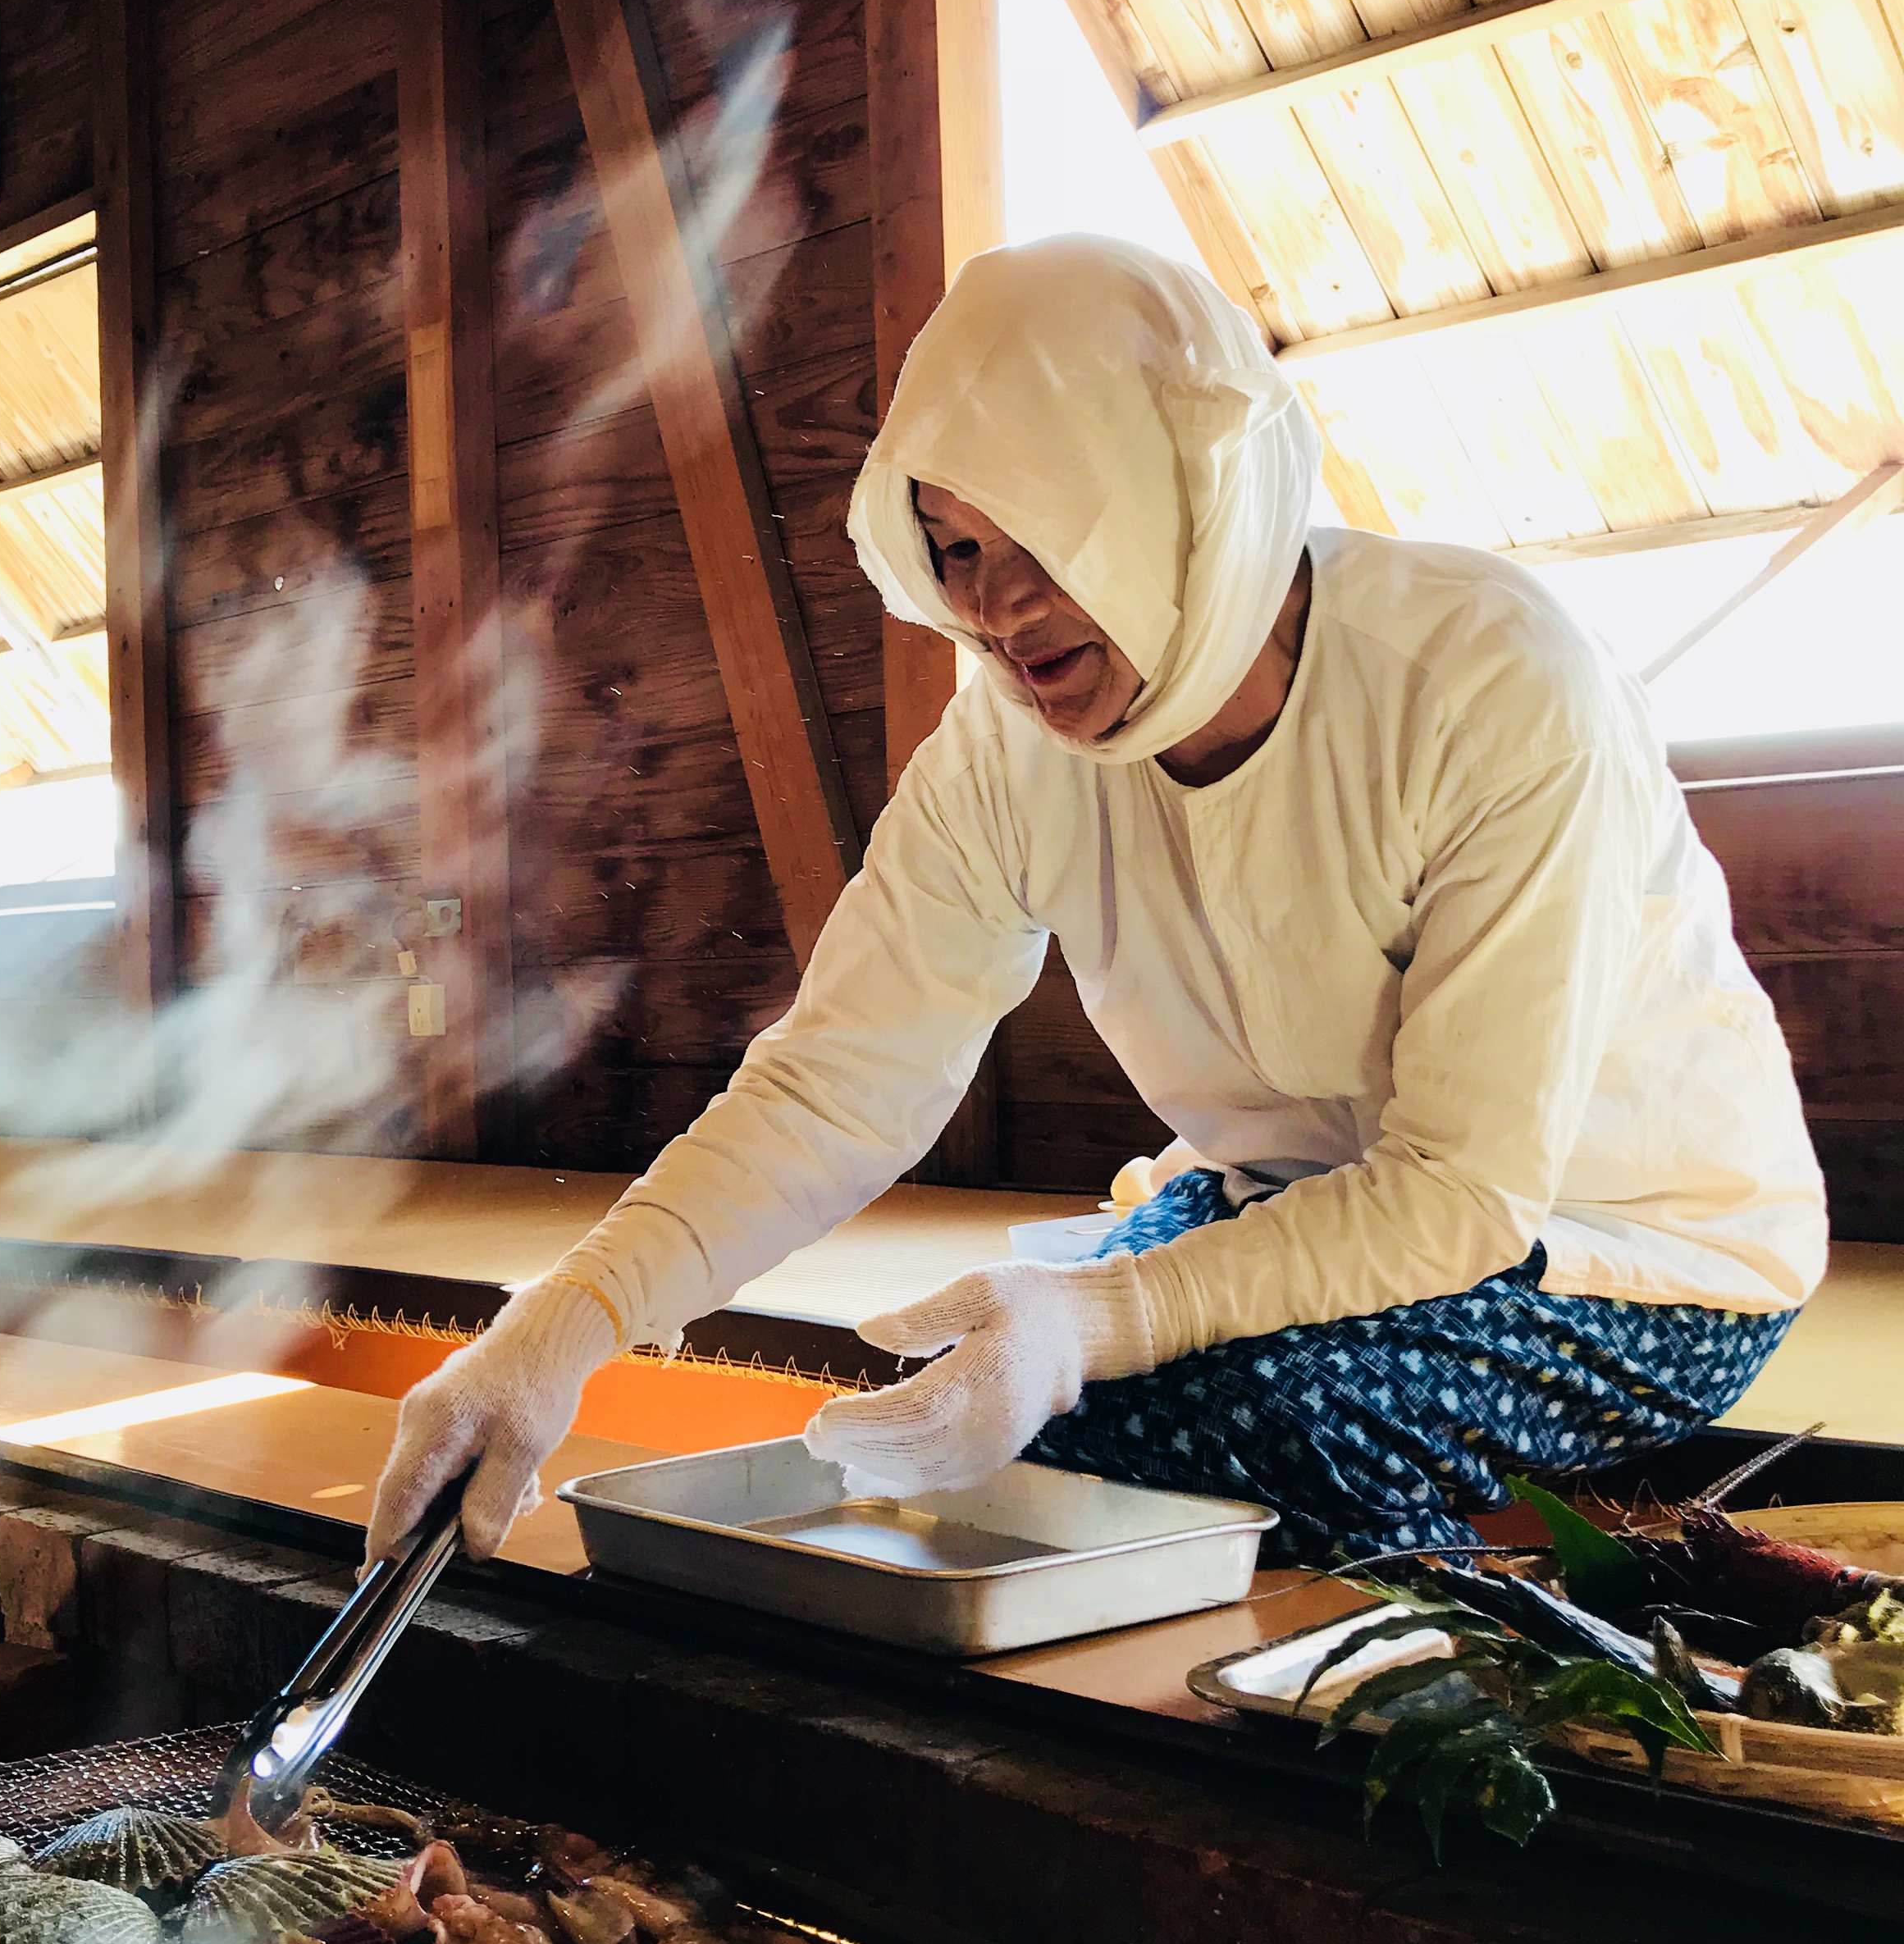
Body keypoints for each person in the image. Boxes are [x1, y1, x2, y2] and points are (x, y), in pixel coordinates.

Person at [371, 238, 1825, 1569]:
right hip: (1295, 1204)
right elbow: (836, 1085)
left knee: (1240, 1439)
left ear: (1182, 500)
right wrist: (557, 1327)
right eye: (956, 551)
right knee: (981, 1419)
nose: (999, 609)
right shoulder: (1004, 753)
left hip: (1628, 1245)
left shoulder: (1490, 684)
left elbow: (1462, 1194)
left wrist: (1099, 1320)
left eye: (1044, 536)